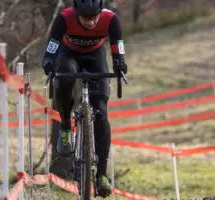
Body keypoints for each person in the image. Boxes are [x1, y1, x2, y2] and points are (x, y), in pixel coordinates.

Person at [41, 0, 127, 197]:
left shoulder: (111, 20)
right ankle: (65, 127)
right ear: (76, 12)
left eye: (94, 18)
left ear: (100, 12)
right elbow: (53, 45)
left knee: (101, 112)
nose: (90, 22)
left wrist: (119, 63)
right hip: (68, 54)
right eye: (85, 18)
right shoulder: (64, 18)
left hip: (95, 55)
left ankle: (101, 176)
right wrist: (48, 61)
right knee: (65, 77)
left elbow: (117, 47)